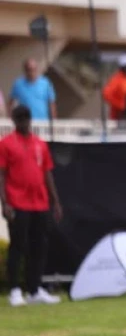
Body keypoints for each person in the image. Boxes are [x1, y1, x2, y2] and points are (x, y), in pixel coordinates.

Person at [0, 105, 63, 307]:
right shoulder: (6, 144)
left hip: (39, 202)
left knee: (39, 246)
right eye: (20, 119)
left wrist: (55, 201)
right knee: (18, 246)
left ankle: (34, 289)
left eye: (26, 118)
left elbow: (47, 173)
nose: (24, 123)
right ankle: (15, 290)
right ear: (14, 121)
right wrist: (5, 203)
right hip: (17, 201)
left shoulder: (39, 144)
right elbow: (2, 175)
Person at [9, 58, 57, 124]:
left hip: (42, 123)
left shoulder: (45, 83)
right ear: (25, 70)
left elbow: (51, 104)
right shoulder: (18, 84)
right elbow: (11, 104)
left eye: (34, 69)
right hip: (24, 123)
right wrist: (11, 121)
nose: (32, 72)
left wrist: (54, 122)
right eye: (29, 70)